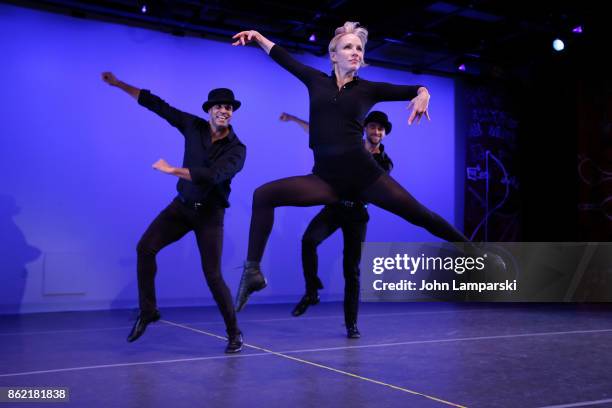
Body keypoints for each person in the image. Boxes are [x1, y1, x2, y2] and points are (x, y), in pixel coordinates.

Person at [232, 22, 504, 312]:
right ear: (333, 55)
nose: (355, 53)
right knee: (263, 195)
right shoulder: (315, 81)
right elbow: (283, 56)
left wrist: (424, 93)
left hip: (364, 176)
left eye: (359, 48)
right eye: (348, 47)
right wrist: (259, 36)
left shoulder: (368, 90)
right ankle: (252, 272)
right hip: (325, 180)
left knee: (421, 216)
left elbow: (413, 88)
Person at [101, 72, 246, 353]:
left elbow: (212, 175)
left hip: (210, 216)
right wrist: (120, 84)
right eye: (218, 106)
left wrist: (172, 171)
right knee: (145, 248)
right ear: (209, 110)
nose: (223, 110)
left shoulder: (238, 150)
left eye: (228, 107)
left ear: (231, 112)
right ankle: (149, 311)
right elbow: (157, 105)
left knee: (213, 275)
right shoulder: (192, 126)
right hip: (181, 207)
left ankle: (234, 333)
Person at [280, 111, 394, 338]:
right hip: (335, 208)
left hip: (357, 215)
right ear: (365, 129)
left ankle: (351, 324)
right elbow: (320, 135)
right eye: (372, 127)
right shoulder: (351, 146)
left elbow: (370, 181)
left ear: (384, 133)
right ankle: (312, 292)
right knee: (309, 240)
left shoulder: (385, 162)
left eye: (380, 129)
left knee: (351, 271)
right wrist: (294, 119)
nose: (376, 132)